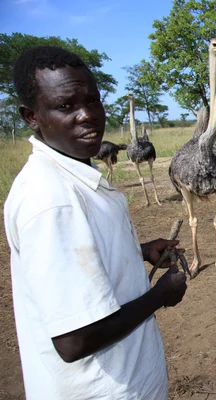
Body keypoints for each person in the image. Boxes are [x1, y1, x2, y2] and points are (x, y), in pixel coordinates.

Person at [4, 46, 188, 399]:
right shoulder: (51, 200)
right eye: (66, 106)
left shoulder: (76, 174)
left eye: (93, 101)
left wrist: (137, 253)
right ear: (31, 116)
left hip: (128, 378)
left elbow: (77, 267)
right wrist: (160, 296)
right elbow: (75, 340)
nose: (87, 115)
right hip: (102, 389)